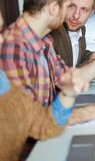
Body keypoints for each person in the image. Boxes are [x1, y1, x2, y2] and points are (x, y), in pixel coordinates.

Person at [0, 11, 89, 161]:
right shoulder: (15, 47)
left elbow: (38, 122)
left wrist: (68, 92)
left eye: (1, 30)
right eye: (68, 5)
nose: (2, 39)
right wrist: (93, 112)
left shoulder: (2, 81)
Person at [51, 0, 95, 67]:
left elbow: (77, 57)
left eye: (84, 9)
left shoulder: (81, 28)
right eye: (71, 6)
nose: (76, 16)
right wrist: (94, 63)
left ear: (91, 13)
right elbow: (63, 74)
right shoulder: (52, 34)